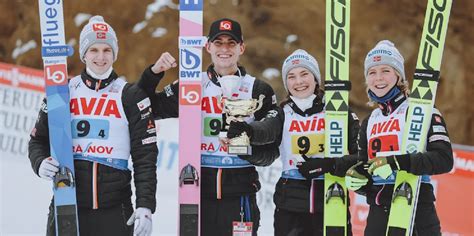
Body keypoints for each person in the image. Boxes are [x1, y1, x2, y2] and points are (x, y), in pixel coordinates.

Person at [28, 15, 175, 236]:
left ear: (114, 54)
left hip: (116, 211)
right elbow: (38, 140)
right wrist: (39, 162)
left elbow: (145, 156)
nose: (100, 57)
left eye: (107, 50)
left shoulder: (129, 95)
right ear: (84, 54)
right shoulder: (63, 92)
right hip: (68, 206)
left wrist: (145, 205)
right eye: (94, 50)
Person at [138, 18, 279, 235]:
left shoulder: (257, 90)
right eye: (218, 43)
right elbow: (145, 107)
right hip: (196, 195)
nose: (224, 49)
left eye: (231, 43)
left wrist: (246, 146)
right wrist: (154, 73)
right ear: (208, 47)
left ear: (241, 47)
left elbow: (271, 150)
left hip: (239, 197)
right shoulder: (191, 85)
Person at [240, 49, 360, 235]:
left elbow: (361, 155)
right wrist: (247, 132)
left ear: (316, 79)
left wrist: (331, 165)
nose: (299, 82)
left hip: (331, 201)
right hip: (290, 207)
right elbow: (266, 129)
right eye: (292, 76)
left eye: (304, 74)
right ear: (286, 83)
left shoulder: (337, 111)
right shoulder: (282, 113)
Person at [344, 40, 453, 235]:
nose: (378, 78)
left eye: (385, 70)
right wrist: (359, 181)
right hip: (378, 216)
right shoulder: (369, 122)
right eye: (372, 72)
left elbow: (444, 160)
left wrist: (396, 162)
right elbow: (367, 170)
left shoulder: (420, 110)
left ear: (398, 75)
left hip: (417, 212)